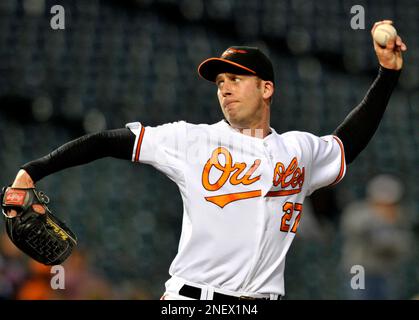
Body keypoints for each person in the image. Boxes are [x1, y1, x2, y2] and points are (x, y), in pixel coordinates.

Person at [4, 20, 407, 300]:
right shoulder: (191, 139)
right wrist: (32, 170)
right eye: (220, 82)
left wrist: (387, 74)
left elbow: (345, 144)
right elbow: (111, 141)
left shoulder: (299, 149)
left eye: (236, 79)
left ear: (266, 88)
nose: (225, 89)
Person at [340, 174, 412, 299]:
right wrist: (380, 219)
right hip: (359, 270)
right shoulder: (359, 212)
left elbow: (402, 246)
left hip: (385, 271)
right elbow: (354, 227)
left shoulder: (399, 217)